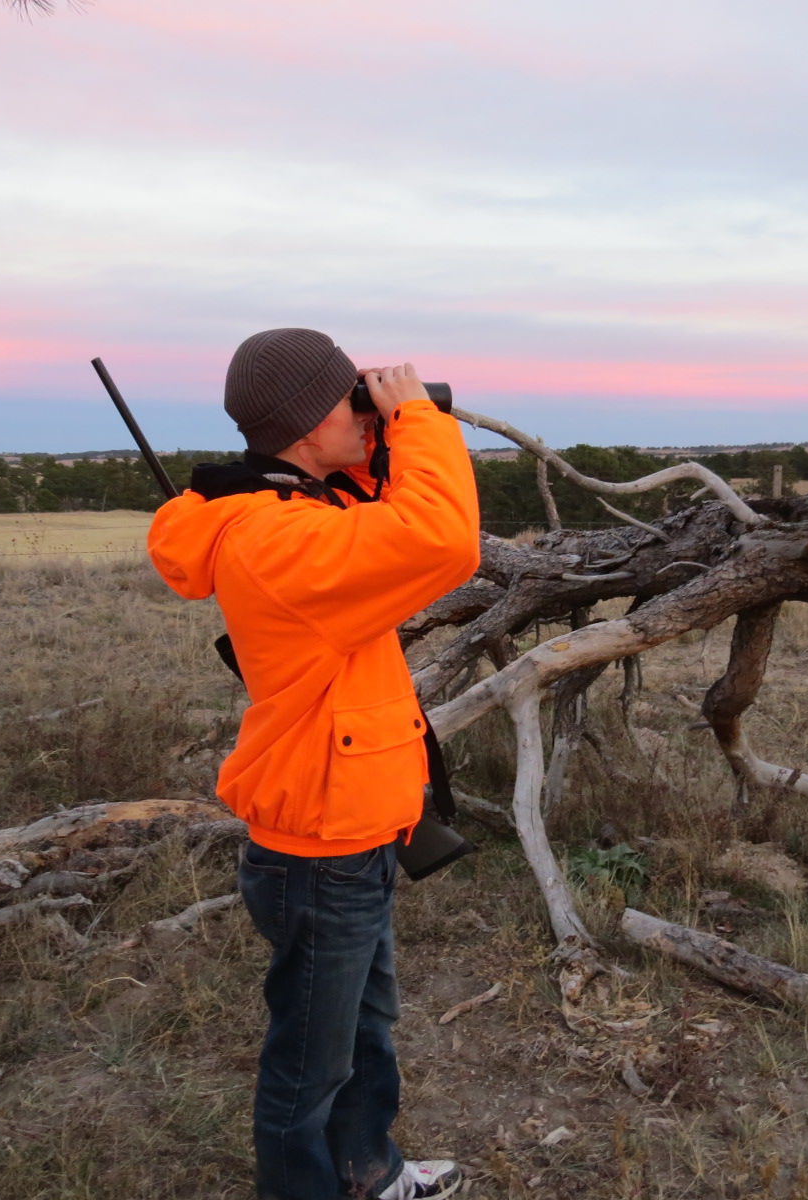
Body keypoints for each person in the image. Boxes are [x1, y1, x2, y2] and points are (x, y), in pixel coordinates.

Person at [147, 328, 480, 1200]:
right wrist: (417, 419)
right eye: (350, 403)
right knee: (310, 1063)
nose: (367, 415)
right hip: (320, 852)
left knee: (364, 1032)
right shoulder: (280, 539)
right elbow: (443, 540)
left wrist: (376, 431)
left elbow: (377, 501)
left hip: (354, 828)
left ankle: (370, 1173)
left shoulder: (299, 508)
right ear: (303, 426)